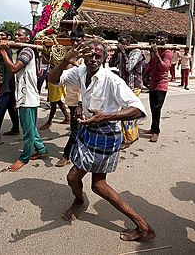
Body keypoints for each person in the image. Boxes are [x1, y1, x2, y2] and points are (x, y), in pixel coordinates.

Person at [49, 39, 155, 241]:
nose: (93, 59)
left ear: (105, 58)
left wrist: (106, 116)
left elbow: (139, 110)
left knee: (90, 183)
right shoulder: (80, 72)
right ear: (83, 56)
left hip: (106, 134)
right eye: (90, 54)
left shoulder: (112, 80)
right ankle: (79, 201)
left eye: (98, 55)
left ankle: (142, 226)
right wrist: (65, 60)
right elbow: (54, 79)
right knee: (82, 180)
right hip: (89, 131)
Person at [0, 27, 48, 171]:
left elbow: (13, 69)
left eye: (19, 35)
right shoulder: (26, 51)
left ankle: (24, 158)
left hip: (28, 98)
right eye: (16, 35)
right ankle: (42, 149)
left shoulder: (27, 51)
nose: (16, 37)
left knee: (27, 130)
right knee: (31, 127)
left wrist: (2, 51)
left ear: (27, 38)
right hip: (26, 97)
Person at [55, 29, 84, 167]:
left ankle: (66, 155)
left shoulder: (86, 56)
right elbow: (62, 74)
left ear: (82, 40)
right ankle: (77, 152)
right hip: (72, 98)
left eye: (78, 40)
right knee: (76, 127)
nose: (76, 42)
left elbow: (85, 82)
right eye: (73, 40)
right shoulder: (68, 54)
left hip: (83, 99)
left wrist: (81, 103)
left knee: (77, 129)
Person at [109, 33, 143, 149]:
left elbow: (129, 68)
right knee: (126, 111)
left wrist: (123, 53)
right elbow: (111, 64)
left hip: (134, 85)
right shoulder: (120, 52)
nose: (120, 44)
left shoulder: (136, 51)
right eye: (119, 41)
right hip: (124, 85)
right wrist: (117, 53)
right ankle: (133, 135)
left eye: (122, 42)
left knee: (127, 112)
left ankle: (129, 139)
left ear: (128, 41)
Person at [142, 31, 173, 143]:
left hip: (161, 85)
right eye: (157, 38)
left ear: (166, 40)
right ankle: (153, 128)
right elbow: (150, 65)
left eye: (161, 38)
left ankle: (156, 132)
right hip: (153, 84)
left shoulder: (167, 53)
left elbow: (164, 68)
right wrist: (144, 75)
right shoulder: (154, 52)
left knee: (156, 109)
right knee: (152, 108)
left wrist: (157, 54)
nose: (158, 40)